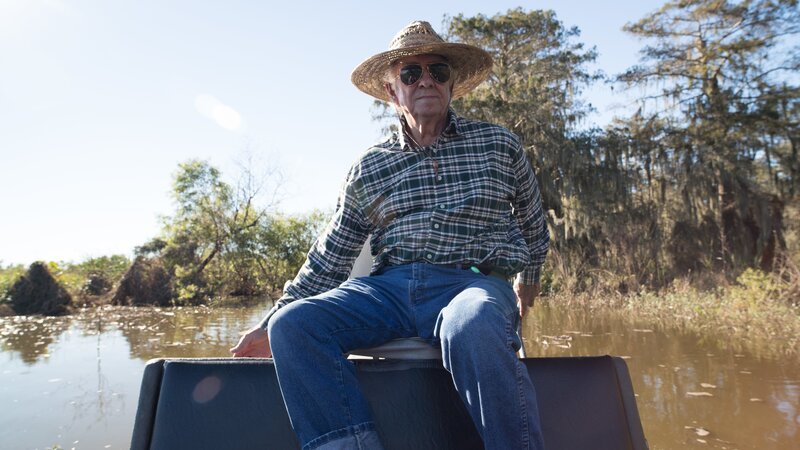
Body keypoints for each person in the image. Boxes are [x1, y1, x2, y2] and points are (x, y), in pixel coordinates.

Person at [231, 20, 549, 450]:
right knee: (295, 326)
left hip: (471, 282)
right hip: (390, 291)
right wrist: (270, 320)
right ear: (391, 91)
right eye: (410, 73)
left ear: (452, 83)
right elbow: (331, 258)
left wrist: (526, 282)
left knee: (472, 324)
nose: (426, 81)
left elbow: (533, 223)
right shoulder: (370, 167)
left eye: (438, 71)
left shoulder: (499, 144)